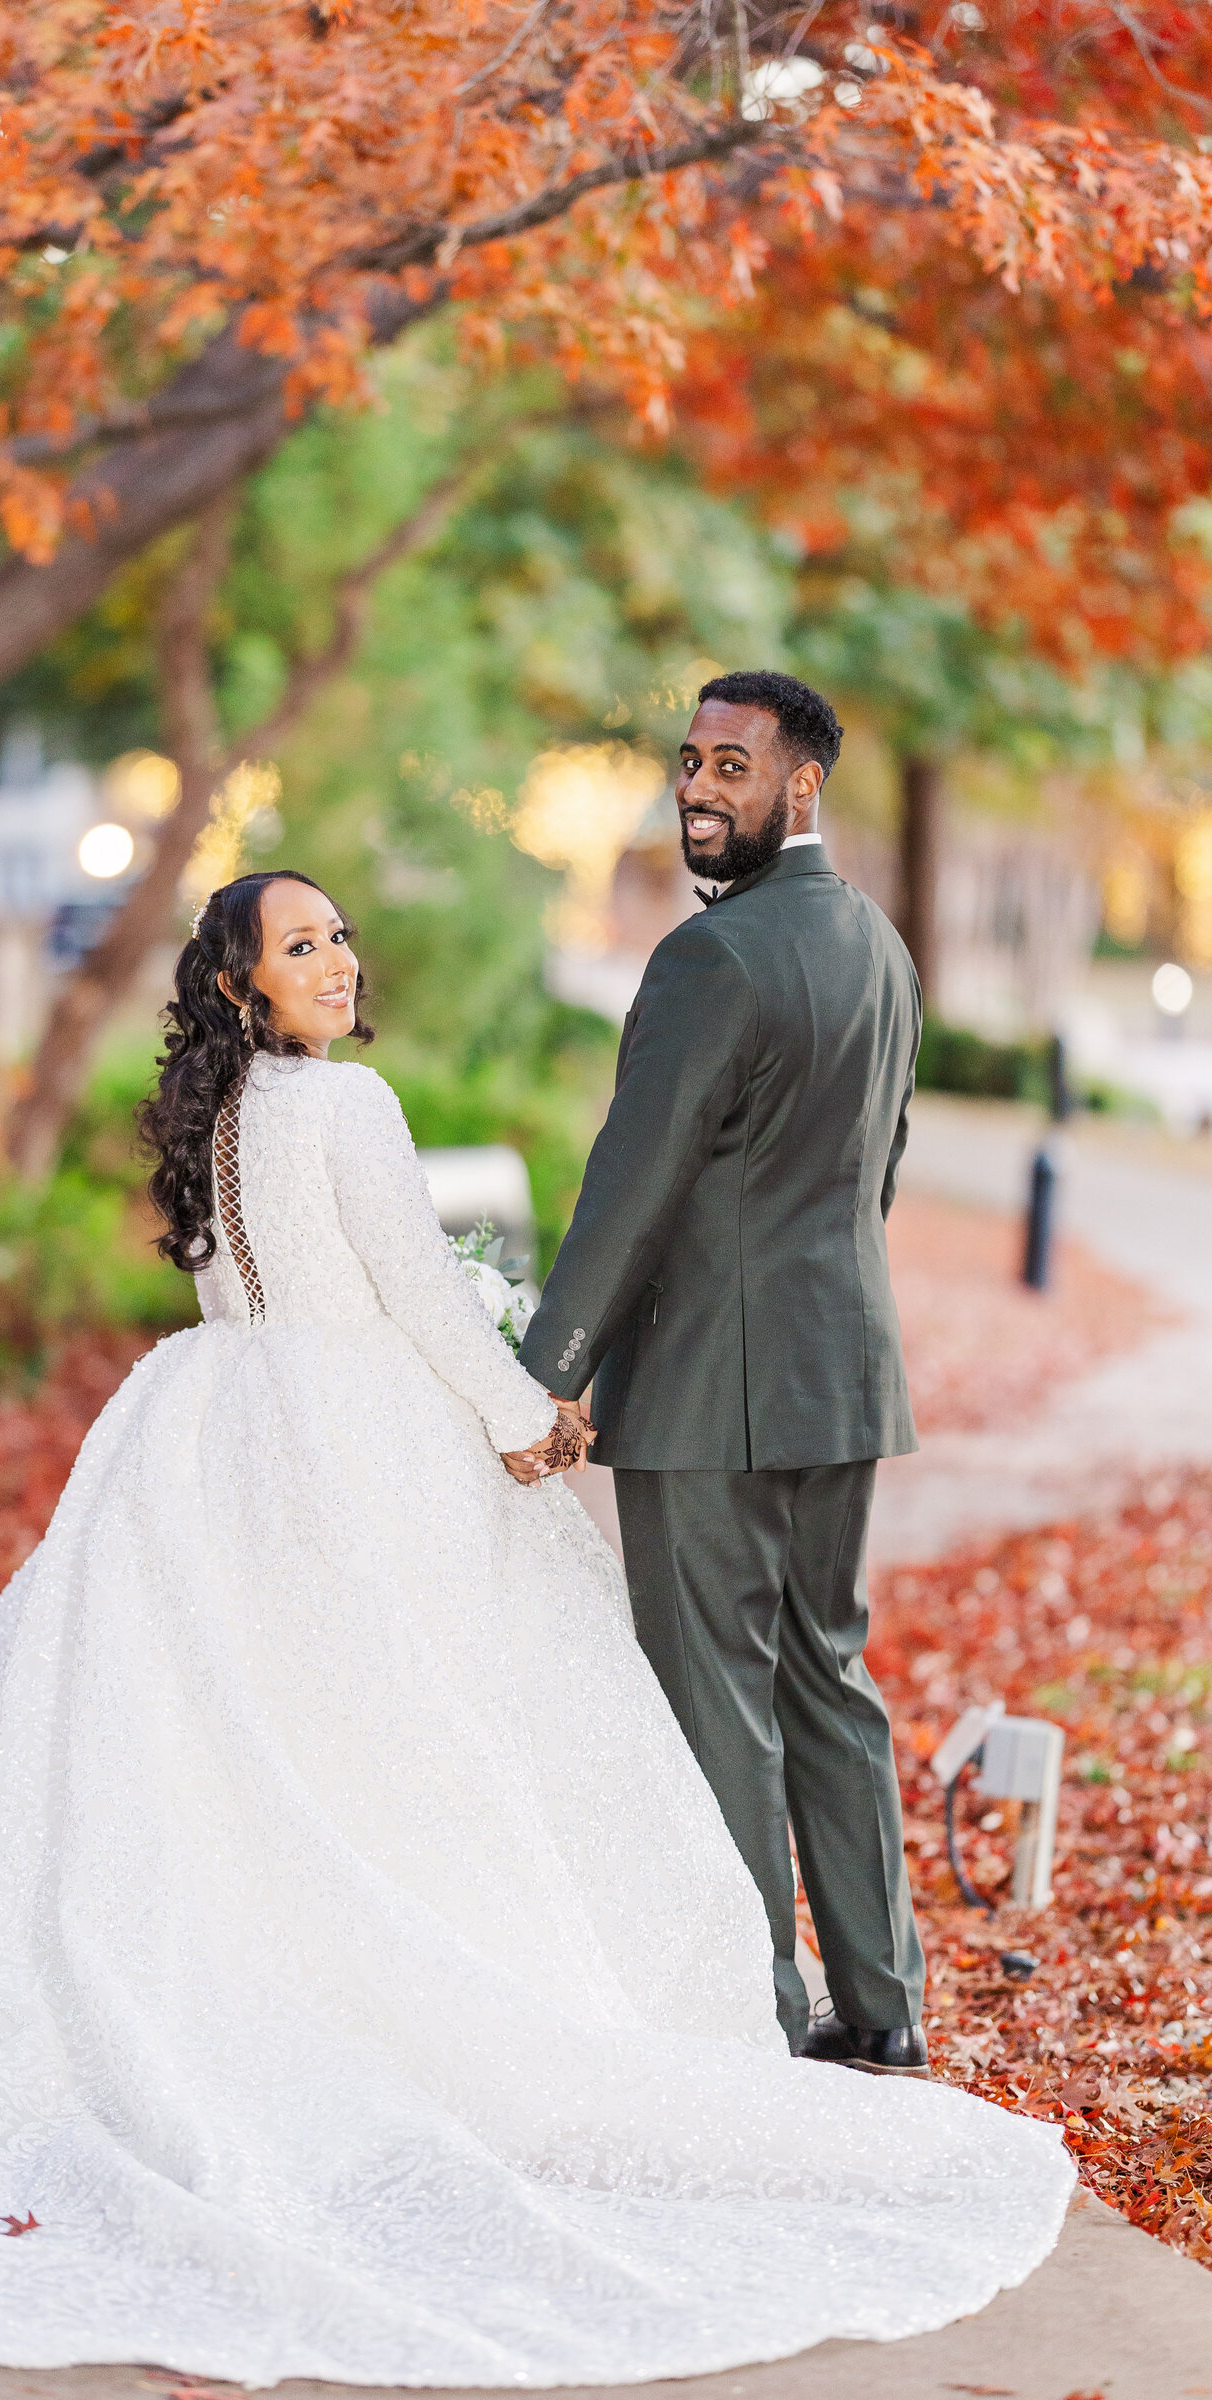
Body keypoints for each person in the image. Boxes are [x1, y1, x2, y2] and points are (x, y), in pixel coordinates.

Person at [0, 868, 1072, 2385]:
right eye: (298, 946)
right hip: (357, 1430)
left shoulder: (217, 1112)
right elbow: (425, 1300)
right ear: (242, 985)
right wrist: (522, 1417)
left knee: (253, 1746)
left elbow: (238, 1293)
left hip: (218, 1427)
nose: (334, 960)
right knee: (413, 1732)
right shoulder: (350, 1110)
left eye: (337, 937)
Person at [520, 668, 931, 2068]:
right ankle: (881, 2009)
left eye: (731, 767)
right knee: (829, 1675)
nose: (696, 785)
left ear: (799, 786)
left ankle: (747, 2017)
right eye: (689, 760)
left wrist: (547, 1367)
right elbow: (874, 1173)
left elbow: (633, 1186)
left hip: (709, 1389)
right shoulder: (881, 944)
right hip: (845, 1372)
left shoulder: (714, 958)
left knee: (717, 1699)